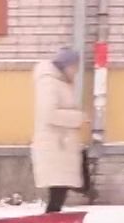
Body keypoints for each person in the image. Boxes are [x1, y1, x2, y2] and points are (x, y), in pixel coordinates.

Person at [32, 47, 87, 212]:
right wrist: (77, 118)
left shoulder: (60, 82)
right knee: (58, 191)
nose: (76, 71)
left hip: (61, 146)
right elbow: (48, 113)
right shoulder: (49, 82)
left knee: (59, 192)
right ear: (65, 65)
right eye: (74, 67)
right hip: (54, 146)